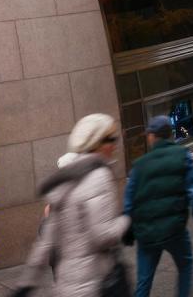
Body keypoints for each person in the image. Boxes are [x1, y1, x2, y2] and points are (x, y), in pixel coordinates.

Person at [10, 113, 131, 297]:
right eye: (111, 139)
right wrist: (127, 221)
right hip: (95, 284)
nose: (114, 145)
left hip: (67, 286)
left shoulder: (66, 181)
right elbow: (103, 236)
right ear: (97, 142)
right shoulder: (99, 176)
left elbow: (46, 243)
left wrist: (26, 284)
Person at [124, 115, 193, 297]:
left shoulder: (138, 166)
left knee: (144, 281)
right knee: (185, 265)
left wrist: (128, 228)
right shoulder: (182, 155)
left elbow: (128, 201)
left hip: (146, 234)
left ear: (153, 136)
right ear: (169, 134)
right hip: (174, 231)